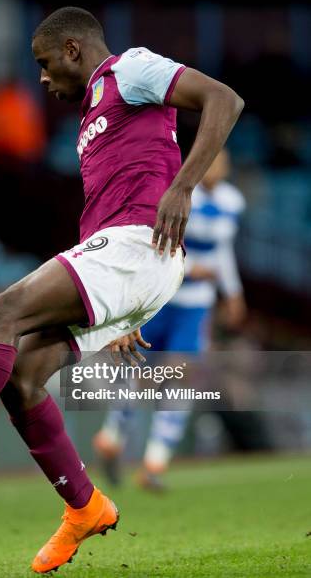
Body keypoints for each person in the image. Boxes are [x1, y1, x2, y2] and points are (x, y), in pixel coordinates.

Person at [0, 7, 244, 573]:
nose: (41, 78)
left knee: (2, 310)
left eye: (43, 64)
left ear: (72, 50)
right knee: (24, 375)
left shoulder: (128, 70)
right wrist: (126, 313)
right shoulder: (92, 118)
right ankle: (85, 507)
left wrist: (183, 187)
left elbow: (225, 100)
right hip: (132, 263)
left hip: (141, 244)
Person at [93, 149, 246, 491]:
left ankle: (153, 463)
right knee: (140, 372)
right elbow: (154, 241)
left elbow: (223, 250)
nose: (219, 167)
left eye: (224, 161)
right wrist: (192, 269)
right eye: (213, 160)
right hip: (161, 297)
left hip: (195, 307)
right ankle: (113, 434)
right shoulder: (174, 194)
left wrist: (232, 291)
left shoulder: (232, 201)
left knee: (182, 378)